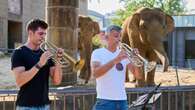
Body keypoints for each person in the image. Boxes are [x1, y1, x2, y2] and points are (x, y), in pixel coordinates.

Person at [11, 19, 63, 110]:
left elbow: (57, 81)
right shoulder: (19, 52)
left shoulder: (46, 54)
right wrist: (40, 63)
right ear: (30, 33)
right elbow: (19, 81)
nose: (43, 37)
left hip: (45, 105)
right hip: (26, 106)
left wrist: (58, 61)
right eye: (40, 34)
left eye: (45, 34)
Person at [91, 25, 141, 110]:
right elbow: (96, 74)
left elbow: (138, 76)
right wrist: (115, 60)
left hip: (122, 101)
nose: (119, 39)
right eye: (116, 36)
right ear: (107, 37)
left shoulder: (124, 53)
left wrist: (135, 59)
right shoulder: (97, 53)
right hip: (105, 101)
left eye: (120, 36)